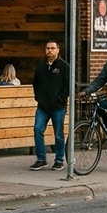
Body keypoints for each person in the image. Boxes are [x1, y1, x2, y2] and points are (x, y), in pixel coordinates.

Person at [31, 40, 70, 171]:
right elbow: (35, 83)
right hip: (42, 106)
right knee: (37, 129)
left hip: (58, 107)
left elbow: (68, 85)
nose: (50, 51)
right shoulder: (41, 66)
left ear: (58, 50)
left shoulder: (64, 66)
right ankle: (41, 159)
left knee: (58, 134)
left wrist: (61, 98)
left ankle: (59, 159)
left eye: (53, 48)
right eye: (48, 48)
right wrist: (38, 97)